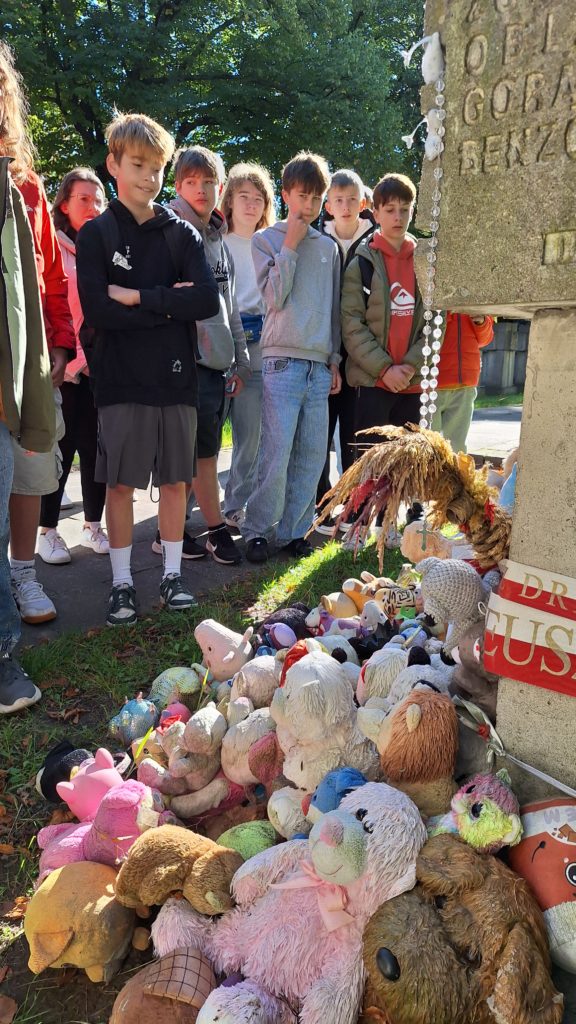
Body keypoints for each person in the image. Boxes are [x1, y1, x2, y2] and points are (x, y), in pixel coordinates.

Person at [76, 113, 219, 626]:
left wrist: (138, 297)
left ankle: (173, 576)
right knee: (120, 484)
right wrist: (167, 306)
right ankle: (120, 584)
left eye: (157, 168)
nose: (149, 177)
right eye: (138, 164)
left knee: (176, 481)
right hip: (118, 380)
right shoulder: (96, 233)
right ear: (114, 163)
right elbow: (98, 311)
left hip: (176, 379)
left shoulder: (180, 232)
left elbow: (205, 300)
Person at [0, 42, 76, 626]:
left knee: (30, 470)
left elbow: (50, 279)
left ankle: (23, 574)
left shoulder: (25, 190)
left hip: (28, 366)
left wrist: (60, 348)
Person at [241, 151, 342, 564]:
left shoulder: (330, 249)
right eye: (303, 196)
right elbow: (273, 298)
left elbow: (334, 307)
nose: (310, 206)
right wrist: (291, 246)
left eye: (317, 198)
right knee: (277, 451)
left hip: (319, 365)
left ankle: (295, 531)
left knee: (312, 453)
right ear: (285, 195)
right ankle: (258, 531)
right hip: (281, 361)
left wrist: (334, 359)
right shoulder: (265, 241)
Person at [165, 145, 250, 565]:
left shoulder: (220, 239)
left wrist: (239, 357)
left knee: (206, 450)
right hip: (181, 362)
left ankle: (180, 531)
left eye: (209, 182)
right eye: (191, 182)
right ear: (178, 185)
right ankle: (206, 530)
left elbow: (229, 306)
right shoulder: (166, 230)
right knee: (185, 455)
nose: (201, 189)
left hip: (217, 363)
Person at [341, 173, 426, 544]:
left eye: (404, 209)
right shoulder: (361, 261)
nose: (397, 216)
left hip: (411, 382)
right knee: (368, 459)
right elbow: (351, 323)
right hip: (372, 381)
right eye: (389, 209)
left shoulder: (425, 261)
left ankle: (391, 524)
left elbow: (432, 320)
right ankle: (359, 525)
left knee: (403, 460)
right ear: (374, 212)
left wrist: (409, 367)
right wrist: (384, 368)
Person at [0, 154, 55, 712]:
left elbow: (35, 291)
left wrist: (55, 350)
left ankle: (0, 652)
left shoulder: (17, 189)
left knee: (12, 499)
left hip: (7, 387)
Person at [38, 168, 110, 563]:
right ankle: (48, 532)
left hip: (99, 368)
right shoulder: (53, 245)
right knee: (61, 452)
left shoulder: (105, 248)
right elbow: (52, 305)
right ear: (65, 204)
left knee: (97, 450)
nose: (94, 206)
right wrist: (64, 356)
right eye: (84, 198)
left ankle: (93, 526)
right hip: (63, 367)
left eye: (98, 199)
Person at [315, 168, 375, 532]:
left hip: (360, 351)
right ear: (328, 205)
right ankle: (322, 502)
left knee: (354, 432)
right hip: (324, 348)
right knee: (320, 430)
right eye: (338, 200)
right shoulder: (318, 240)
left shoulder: (374, 243)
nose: (346, 205)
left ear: (363, 203)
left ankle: (354, 505)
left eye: (352, 199)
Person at [219, 162, 275, 532]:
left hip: (259, 344)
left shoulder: (269, 244)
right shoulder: (215, 240)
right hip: (219, 341)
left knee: (249, 434)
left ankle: (234, 504)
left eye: (259, 199)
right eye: (244, 197)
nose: (251, 205)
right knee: (206, 435)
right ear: (229, 200)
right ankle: (189, 508)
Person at [430, 312, 494, 453]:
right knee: (429, 446)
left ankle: (456, 475)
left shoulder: (475, 301)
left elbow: (485, 340)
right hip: (433, 384)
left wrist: (482, 322)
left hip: (465, 383)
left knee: (457, 447)